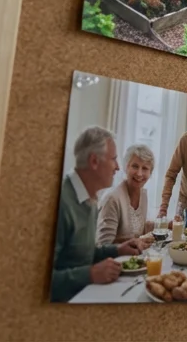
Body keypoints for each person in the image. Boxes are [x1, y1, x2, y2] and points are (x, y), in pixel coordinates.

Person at [51, 127, 144, 302]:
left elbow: (83, 253)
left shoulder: (90, 198)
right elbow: (42, 279)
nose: (117, 167)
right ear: (94, 161)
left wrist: (118, 249)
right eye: (114, 159)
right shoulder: (61, 201)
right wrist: (90, 274)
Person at [96, 143, 156, 246]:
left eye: (145, 168)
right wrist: (133, 241)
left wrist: (166, 225)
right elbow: (104, 244)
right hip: (115, 256)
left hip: (136, 254)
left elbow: (139, 230)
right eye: (135, 166)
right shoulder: (112, 198)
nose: (139, 173)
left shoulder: (143, 195)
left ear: (150, 173)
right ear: (126, 167)